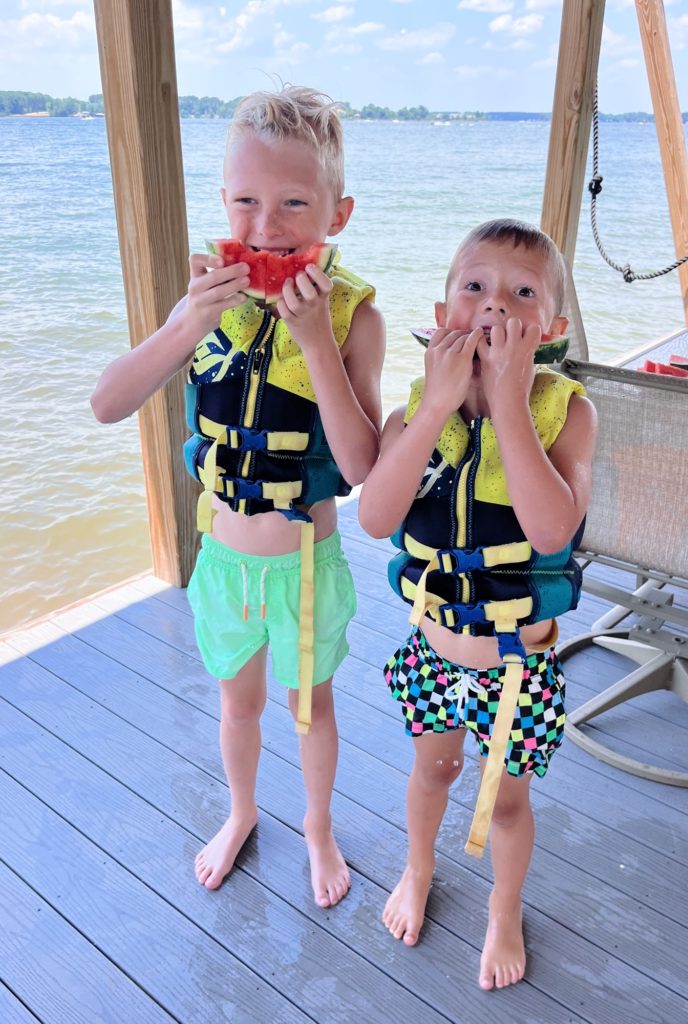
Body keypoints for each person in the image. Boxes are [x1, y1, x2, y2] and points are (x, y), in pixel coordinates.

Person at [92, 86, 385, 908]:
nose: (265, 228)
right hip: (222, 558)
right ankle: (242, 812)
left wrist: (315, 343)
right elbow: (108, 403)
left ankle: (319, 828)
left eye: (294, 203)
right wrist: (186, 322)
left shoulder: (353, 315)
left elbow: (360, 465)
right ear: (222, 203)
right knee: (238, 704)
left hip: (304, 562)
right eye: (246, 202)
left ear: (339, 212)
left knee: (310, 710)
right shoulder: (206, 299)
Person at [358, 219, 596, 989]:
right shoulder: (413, 412)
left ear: (551, 329)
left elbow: (551, 527)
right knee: (432, 774)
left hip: (516, 669)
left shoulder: (568, 413)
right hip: (433, 651)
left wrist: (509, 402)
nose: (494, 307)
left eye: (521, 293)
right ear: (442, 308)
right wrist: (436, 409)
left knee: (503, 807)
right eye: (474, 288)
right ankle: (418, 868)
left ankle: (503, 905)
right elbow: (374, 518)